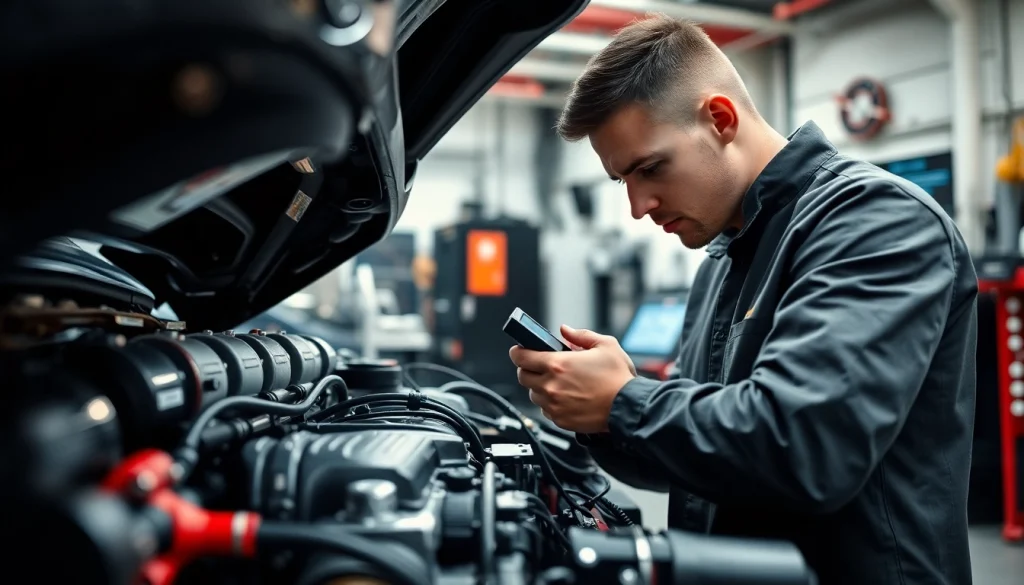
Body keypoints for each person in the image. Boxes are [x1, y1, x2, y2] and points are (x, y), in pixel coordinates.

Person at [508, 14, 977, 585]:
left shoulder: (875, 221)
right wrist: (600, 413)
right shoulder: (723, 259)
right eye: (622, 181)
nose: (638, 206)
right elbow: (709, 457)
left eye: (650, 167)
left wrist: (625, 402)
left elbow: (805, 447)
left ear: (720, 118)